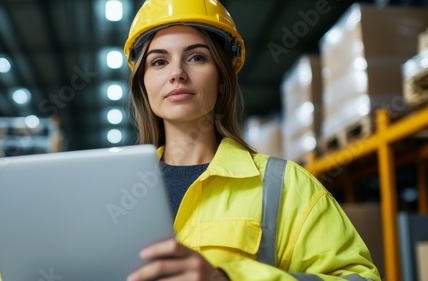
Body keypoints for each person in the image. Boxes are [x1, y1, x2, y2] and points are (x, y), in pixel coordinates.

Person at [122, 0, 381, 280]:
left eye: (197, 57)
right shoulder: (121, 191)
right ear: (143, 84)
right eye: (159, 62)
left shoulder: (285, 185)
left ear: (222, 78)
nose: (177, 74)